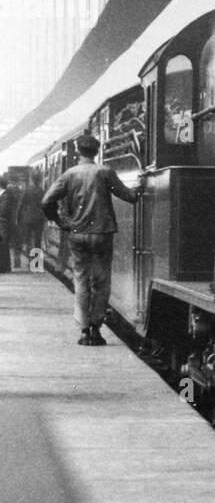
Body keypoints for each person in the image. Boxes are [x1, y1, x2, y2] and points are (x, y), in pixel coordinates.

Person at [41, 134, 139, 346]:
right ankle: (96, 328)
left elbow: (47, 200)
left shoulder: (69, 174)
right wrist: (139, 190)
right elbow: (128, 196)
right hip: (102, 234)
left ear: (78, 151)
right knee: (101, 282)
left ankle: (84, 330)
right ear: (96, 152)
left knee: (81, 280)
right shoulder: (105, 172)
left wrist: (60, 221)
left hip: (77, 234)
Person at [17, 176, 45, 268]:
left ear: (32, 180)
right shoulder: (42, 191)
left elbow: (20, 205)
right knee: (38, 240)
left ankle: (30, 260)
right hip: (39, 219)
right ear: (39, 180)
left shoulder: (27, 191)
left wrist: (18, 218)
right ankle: (36, 263)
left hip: (28, 218)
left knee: (28, 240)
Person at [0, 175, 14, 275]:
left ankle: (5, 267)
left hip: (3, 223)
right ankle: (5, 267)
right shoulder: (4, 195)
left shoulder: (6, 195)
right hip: (2, 222)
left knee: (3, 244)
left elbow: (3, 210)